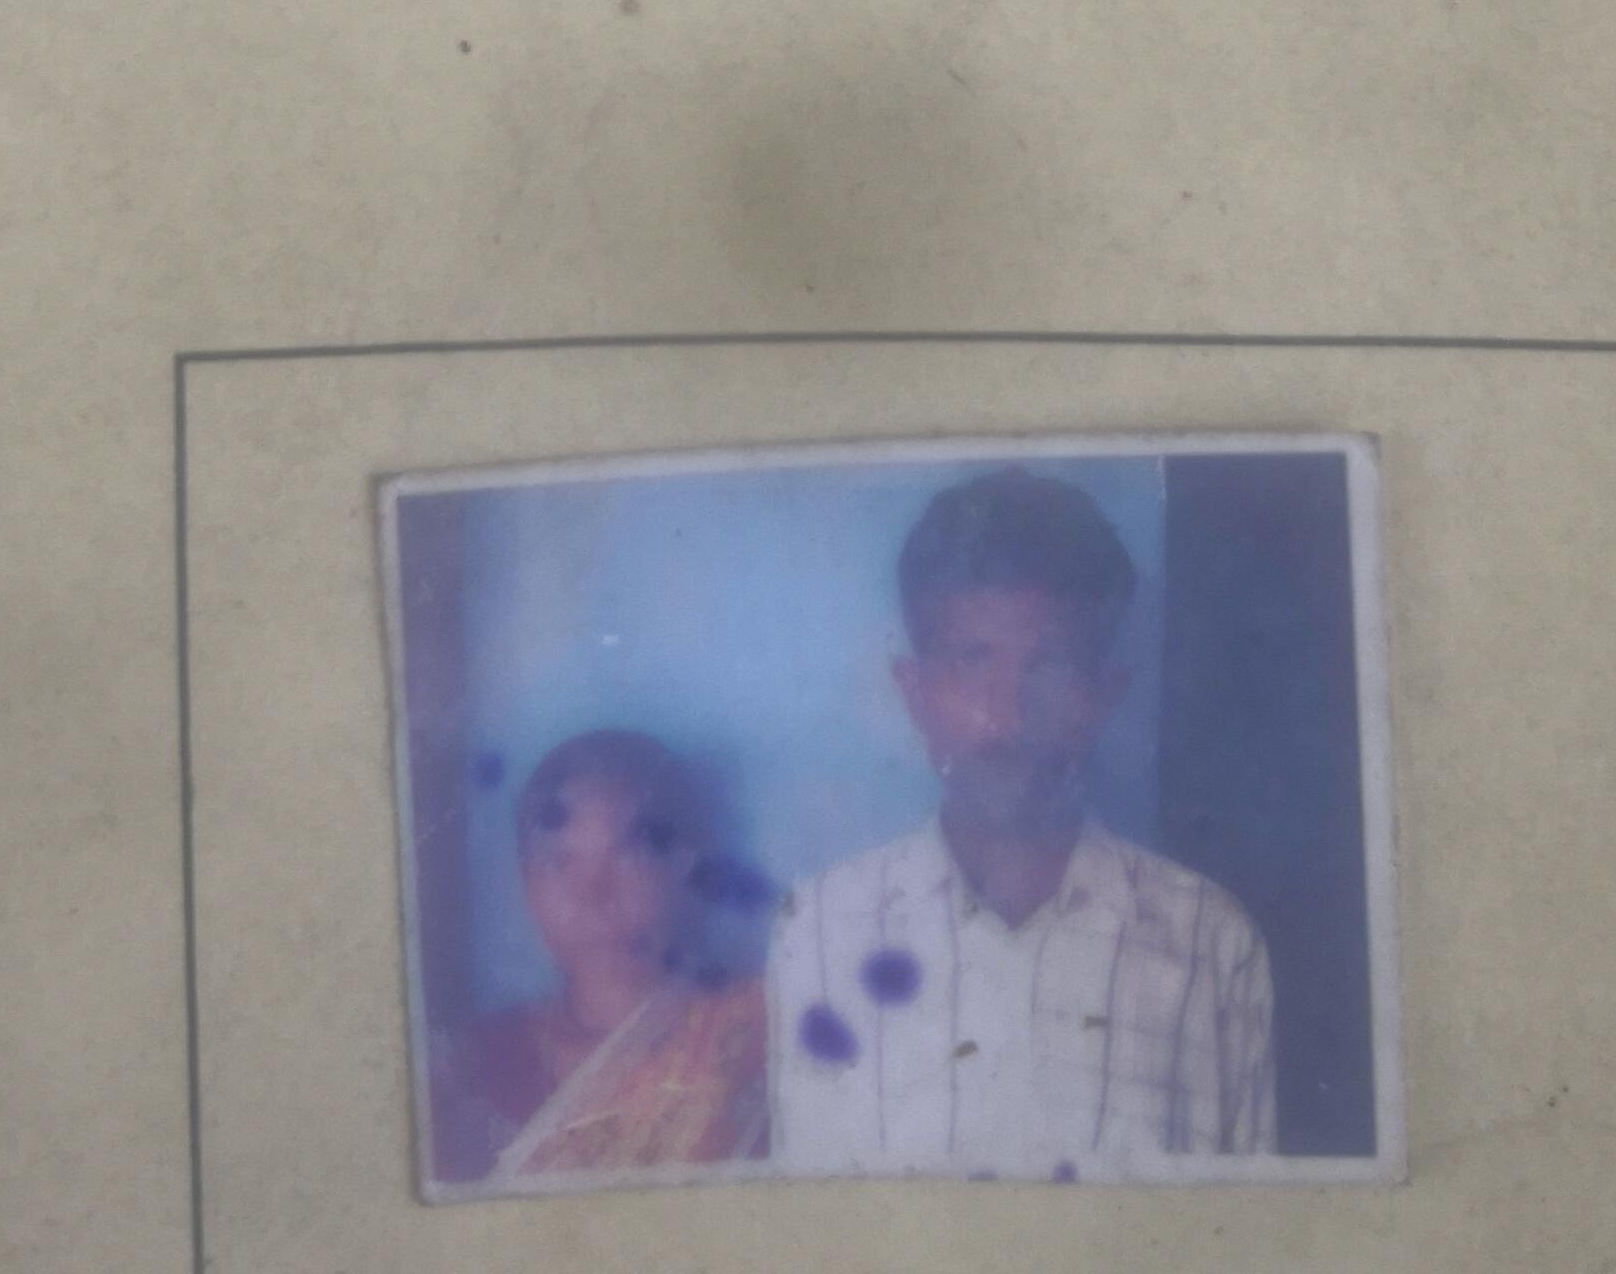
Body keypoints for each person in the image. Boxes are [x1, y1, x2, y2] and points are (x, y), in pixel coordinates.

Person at [768, 466, 1275, 1177]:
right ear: (916, 694)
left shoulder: (1210, 944)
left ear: (1104, 695)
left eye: (1052, 666)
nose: (1008, 716)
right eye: (973, 662)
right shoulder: (821, 930)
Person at [429, 727, 768, 1187]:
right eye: (559, 863)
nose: (592, 894)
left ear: (681, 864)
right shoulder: (476, 1066)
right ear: (527, 884)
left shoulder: (753, 1031)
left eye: (625, 855)